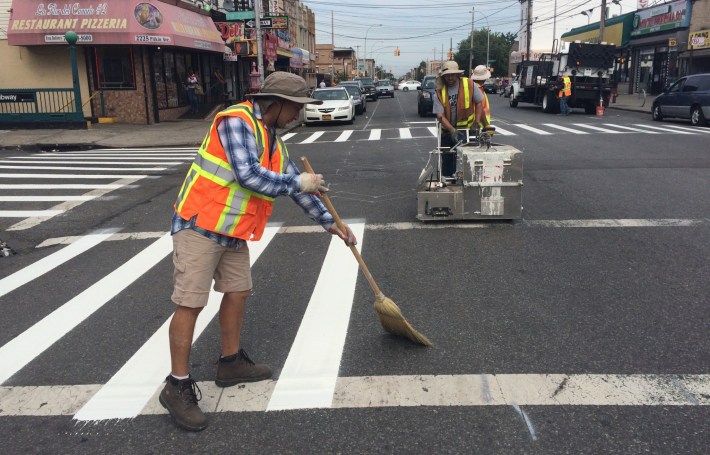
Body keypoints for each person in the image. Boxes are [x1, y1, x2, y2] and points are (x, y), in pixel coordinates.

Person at [161, 71, 357, 432]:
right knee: (190, 302)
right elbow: (248, 176)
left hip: (232, 230)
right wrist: (299, 181)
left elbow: (297, 189)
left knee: (238, 292)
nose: (298, 115)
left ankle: (230, 362)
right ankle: (177, 385)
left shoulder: (272, 140)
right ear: (276, 104)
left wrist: (332, 223)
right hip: (199, 224)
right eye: (295, 107)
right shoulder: (236, 122)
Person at [432, 60, 485, 179]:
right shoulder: (439, 91)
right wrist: (452, 130)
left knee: (468, 160)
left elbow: (479, 103)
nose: (449, 77)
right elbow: (440, 115)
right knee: (448, 161)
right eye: (447, 75)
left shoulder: (470, 84)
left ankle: (468, 185)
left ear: (457, 74)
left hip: (467, 130)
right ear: (443, 76)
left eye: (452, 74)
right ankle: (448, 185)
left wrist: (476, 122)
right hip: (448, 132)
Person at [470, 65, 493, 130]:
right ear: (484, 78)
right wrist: (486, 125)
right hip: (479, 125)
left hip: (473, 123)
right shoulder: (478, 89)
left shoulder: (471, 87)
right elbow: (481, 109)